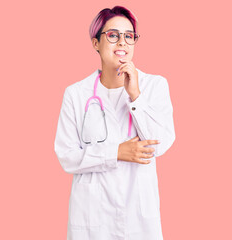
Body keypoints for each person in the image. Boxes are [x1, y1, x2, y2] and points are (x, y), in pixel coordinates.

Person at [54, 5, 176, 240]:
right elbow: (66, 156)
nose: (122, 42)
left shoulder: (155, 86)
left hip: (138, 219)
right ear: (95, 43)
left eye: (129, 36)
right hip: (92, 218)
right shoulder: (76, 94)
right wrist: (117, 152)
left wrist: (136, 96)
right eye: (113, 35)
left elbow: (159, 145)